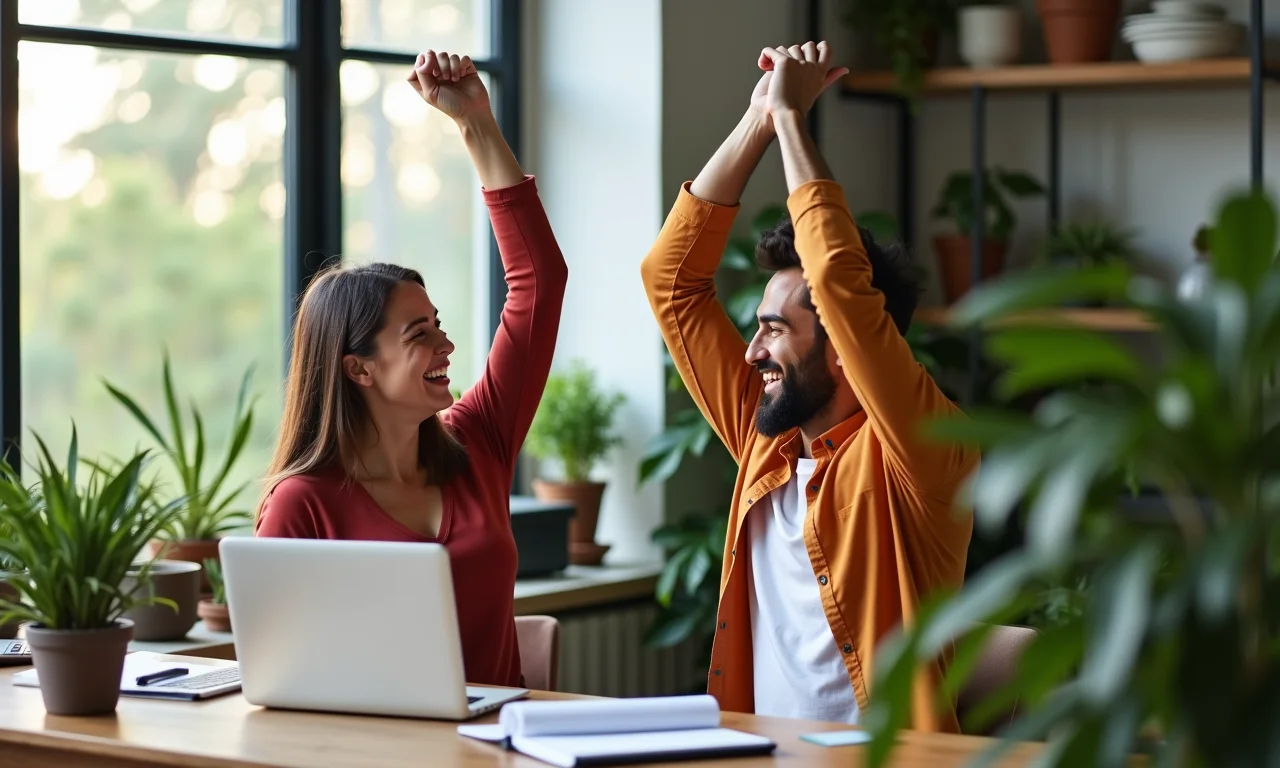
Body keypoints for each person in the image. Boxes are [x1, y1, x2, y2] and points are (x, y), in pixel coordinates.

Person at [640, 41, 977, 732]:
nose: (753, 350)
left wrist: (797, 122)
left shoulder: (921, 454)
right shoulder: (766, 437)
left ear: (847, 351)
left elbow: (842, 294)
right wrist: (760, 118)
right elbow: (670, 281)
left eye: (774, 330)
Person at [254, 49, 568, 689]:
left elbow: (539, 282)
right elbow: (280, 680)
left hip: (504, 751)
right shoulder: (301, 506)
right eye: (418, 334)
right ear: (359, 369)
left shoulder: (477, 441)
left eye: (439, 324)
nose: (446, 346)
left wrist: (476, 123)